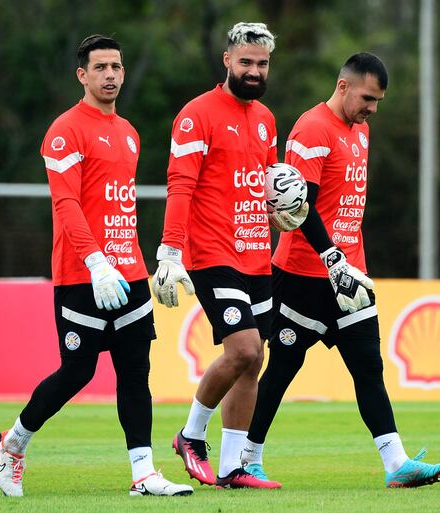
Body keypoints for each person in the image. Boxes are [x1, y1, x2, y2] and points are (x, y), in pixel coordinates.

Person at [0, 34, 193, 498]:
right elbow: (65, 203)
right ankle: (13, 443)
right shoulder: (65, 129)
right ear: (82, 74)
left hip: (130, 271)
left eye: (116, 67)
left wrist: (156, 259)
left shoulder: (129, 132)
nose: (110, 75)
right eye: (100, 67)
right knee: (77, 371)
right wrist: (96, 262)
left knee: (135, 370)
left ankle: (143, 474)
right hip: (83, 274)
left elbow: (120, 206)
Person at [240, 52, 440, 488]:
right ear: (343, 86)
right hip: (301, 275)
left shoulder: (361, 131)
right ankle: (247, 458)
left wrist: (347, 264)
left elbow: (346, 208)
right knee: (282, 369)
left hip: (350, 276)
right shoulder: (312, 128)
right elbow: (299, 208)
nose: (372, 107)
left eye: (377, 101)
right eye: (368, 97)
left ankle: (397, 464)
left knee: (368, 366)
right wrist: (331, 258)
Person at [152, 22, 304, 489]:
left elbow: (268, 191)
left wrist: (283, 215)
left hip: (257, 254)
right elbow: (181, 184)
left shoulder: (266, 119)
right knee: (243, 348)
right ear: (227, 61)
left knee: (253, 361)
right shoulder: (196, 114)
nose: (254, 71)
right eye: (246, 62)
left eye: (261, 64)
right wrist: (169, 249)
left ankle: (233, 467)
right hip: (212, 252)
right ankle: (191, 435)